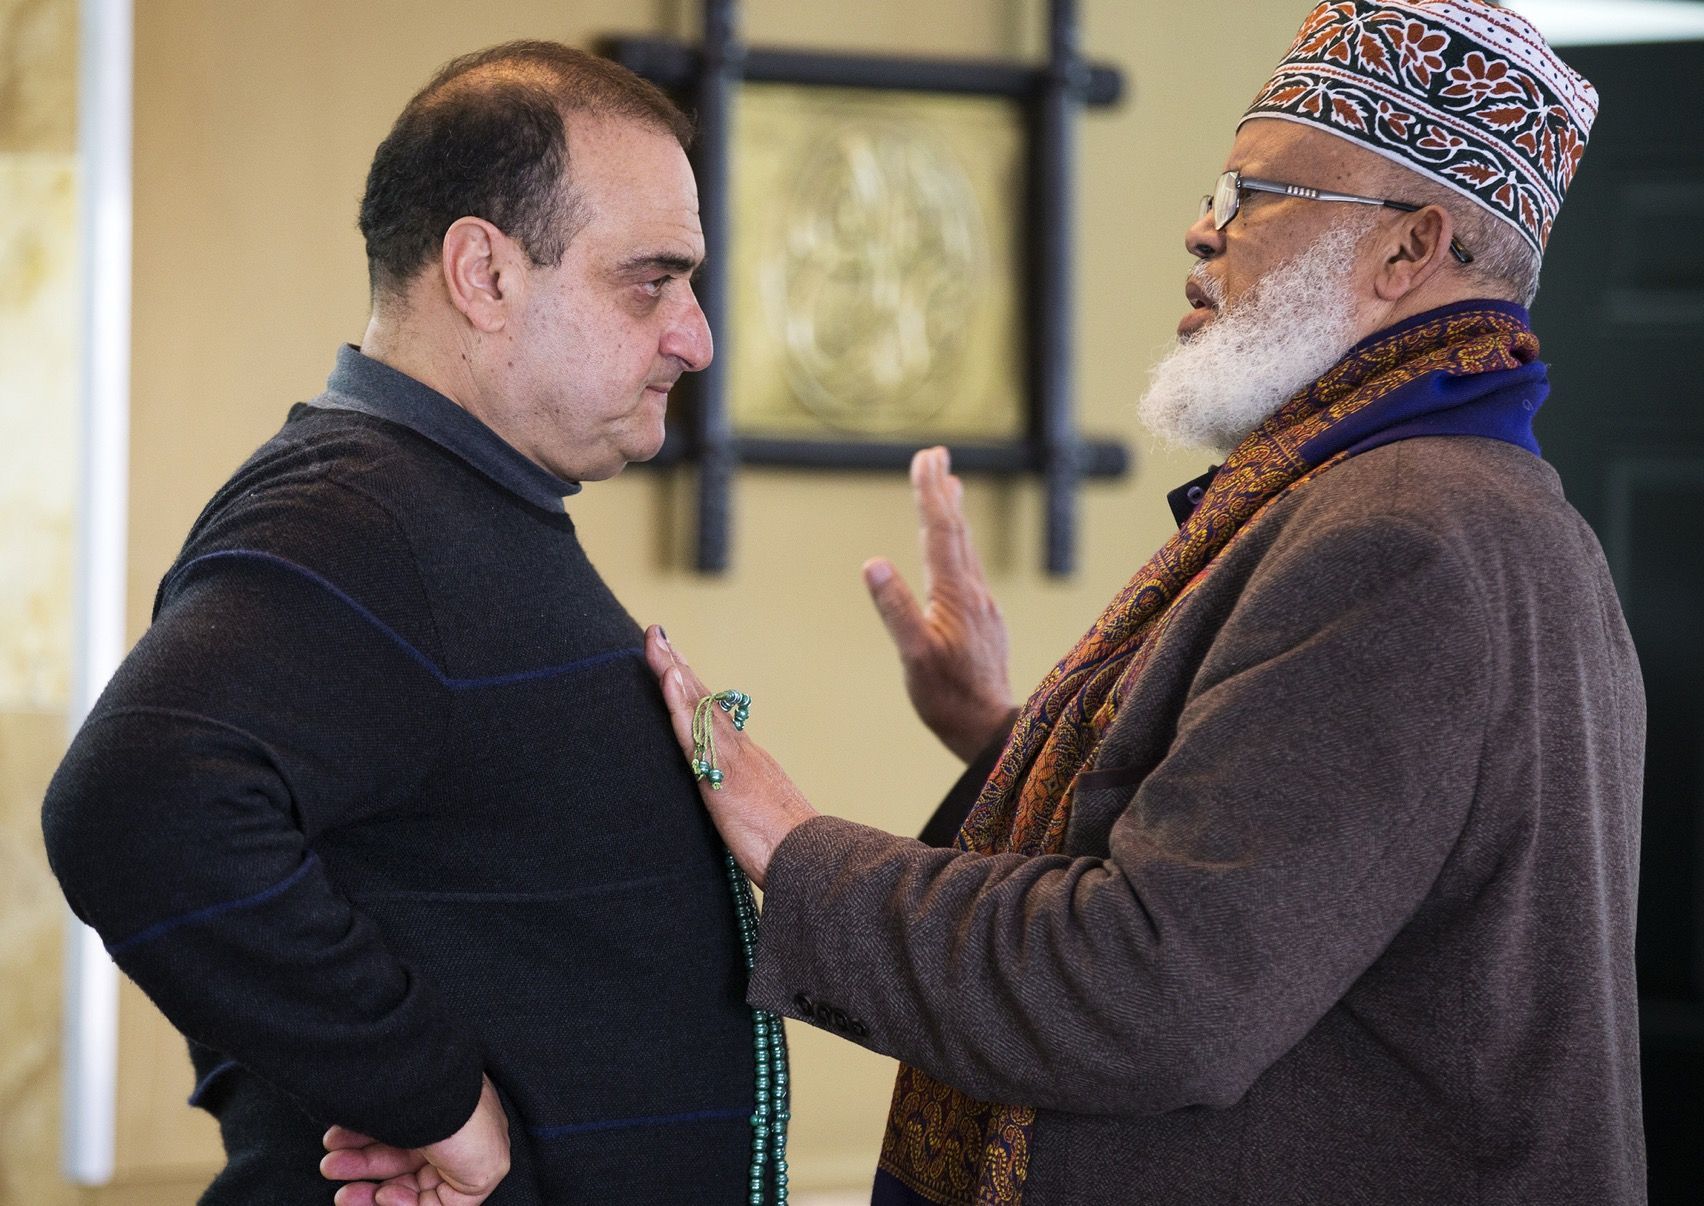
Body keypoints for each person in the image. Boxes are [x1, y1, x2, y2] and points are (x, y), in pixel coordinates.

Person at [642, 2, 1646, 1203]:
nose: (1200, 228)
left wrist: (793, 846)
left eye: (1249, 195)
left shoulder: (1405, 539)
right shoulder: (1465, 507)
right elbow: (1291, 864)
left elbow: (1156, 990)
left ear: (1407, 247)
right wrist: (1006, 734)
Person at [43, 42, 783, 1206]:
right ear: (483, 273)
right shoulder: (357, 512)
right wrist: (439, 1105)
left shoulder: (443, 503)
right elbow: (134, 804)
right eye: (651, 280)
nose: (694, 336)